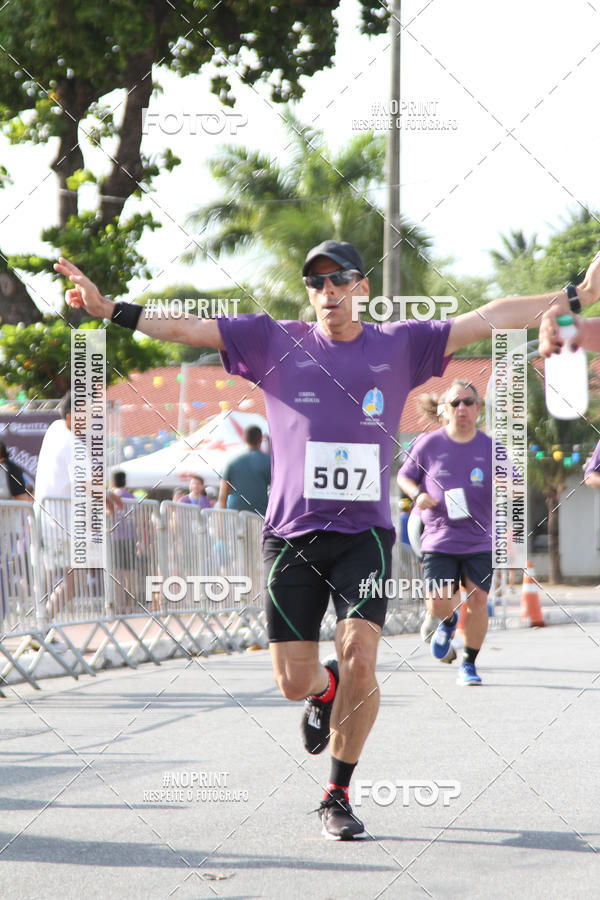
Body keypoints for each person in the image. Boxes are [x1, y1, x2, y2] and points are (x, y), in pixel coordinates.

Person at [54, 241, 600, 840]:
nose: (327, 292)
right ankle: (326, 685)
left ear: (360, 286)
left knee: (363, 654)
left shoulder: (399, 345)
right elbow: (188, 327)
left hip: (363, 534)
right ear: (308, 292)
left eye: (339, 279)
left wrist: (577, 296)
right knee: (295, 681)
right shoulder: (272, 339)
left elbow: (489, 315)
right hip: (291, 537)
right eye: (316, 283)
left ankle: (337, 793)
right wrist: (110, 311)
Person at [398, 380, 492, 685]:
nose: (461, 408)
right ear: (444, 411)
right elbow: (404, 476)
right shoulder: (428, 445)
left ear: (477, 409)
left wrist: (510, 490)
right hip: (439, 537)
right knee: (438, 602)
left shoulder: (491, 447)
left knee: (477, 601)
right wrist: (417, 495)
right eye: (455, 403)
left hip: (479, 538)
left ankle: (468, 664)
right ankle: (447, 621)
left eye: (467, 402)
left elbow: (514, 483)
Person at [218, 425, 271, 516]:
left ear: (244, 438)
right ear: (261, 439)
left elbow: (223, 494)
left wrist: (220, 521)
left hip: (234, 514)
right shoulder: (268, 461)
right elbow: (276, 490)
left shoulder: (231, 461)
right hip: (259, 514)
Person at [109, 471, 136, 613]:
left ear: (112, 483)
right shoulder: (131, 497)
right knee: (130, 574)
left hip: (115, 539)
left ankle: (119, 606)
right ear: (125, 482)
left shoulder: (111, 497)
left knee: (117, 574)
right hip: (130, 537)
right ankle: (130, 605)